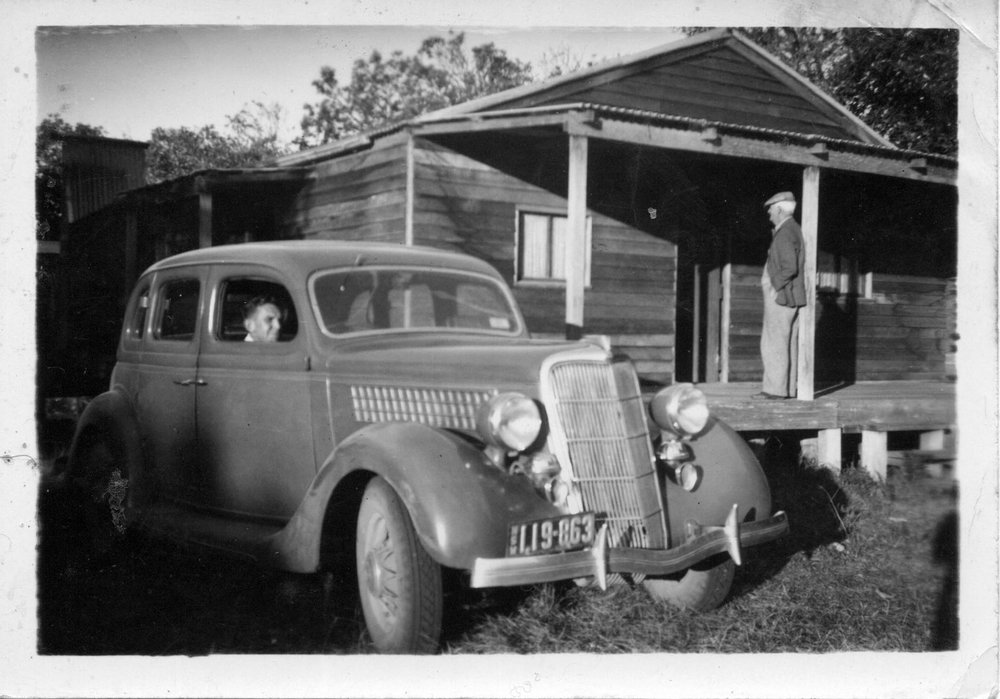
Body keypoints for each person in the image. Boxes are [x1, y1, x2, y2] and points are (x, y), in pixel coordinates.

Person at [754, 191, 806, 400]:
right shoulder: (793, 229)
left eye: (770, 211)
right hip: (790, 296)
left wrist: (775, 286)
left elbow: (789, 267)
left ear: (779, 209)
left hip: (782, 296)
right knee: (786, 343)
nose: (769, 216)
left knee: (774, 342)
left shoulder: (785, 232)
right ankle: (786, 390)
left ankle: (774, 391)